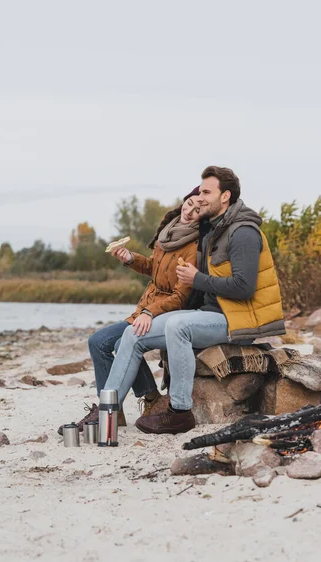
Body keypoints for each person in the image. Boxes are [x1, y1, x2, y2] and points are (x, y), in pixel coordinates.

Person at [101, 166, 286, 436]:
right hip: (211, 314)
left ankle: (179, 412)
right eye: (199, 192)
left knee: (179, 327)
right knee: (133, 332)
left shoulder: (243, 232)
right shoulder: (213, 229)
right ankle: (106, 410)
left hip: (238, 319)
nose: (200, 198)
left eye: (206, 192)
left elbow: (244, 288)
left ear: (226, 196)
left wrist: (196, 279)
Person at [57, 187, 201, 434]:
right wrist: (130, 259)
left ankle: (114, 409)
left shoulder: (194, 247)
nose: (190, 211)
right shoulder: (169, 232)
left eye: (198, 209)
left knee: (112, 341)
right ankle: (130, 405)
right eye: (189, 204)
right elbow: (155, 270)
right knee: (98, 341)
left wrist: (151, 312)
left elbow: (180, 297)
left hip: (166, 314)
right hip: (144, 309)